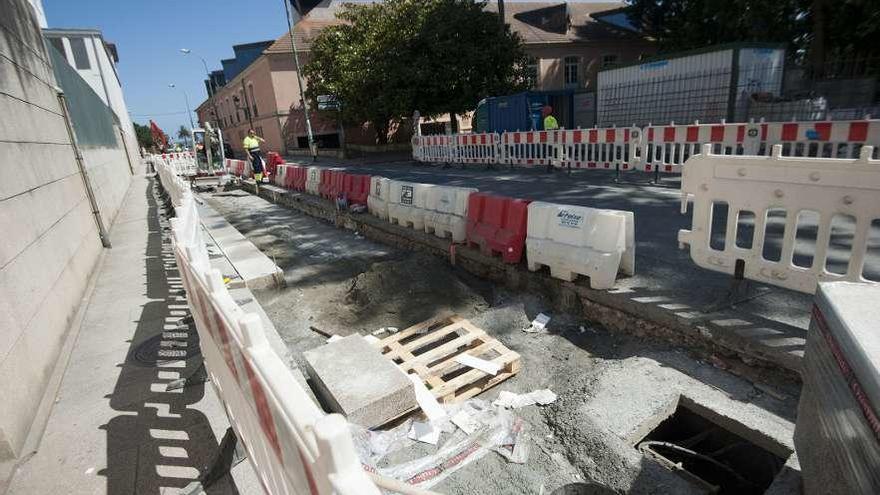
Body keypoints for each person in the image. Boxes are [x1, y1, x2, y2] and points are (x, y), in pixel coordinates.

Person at [542, 106, 560, 172]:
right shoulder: (553, 118)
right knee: (555, 153)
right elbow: (556, 128)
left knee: (550, 153)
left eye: (543, 112)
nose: (542, 114)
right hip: (555, 138)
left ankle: (550, 167)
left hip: (550, 138)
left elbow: (548, 130)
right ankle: (556, 166)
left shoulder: (546, 119)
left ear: (546, 113)